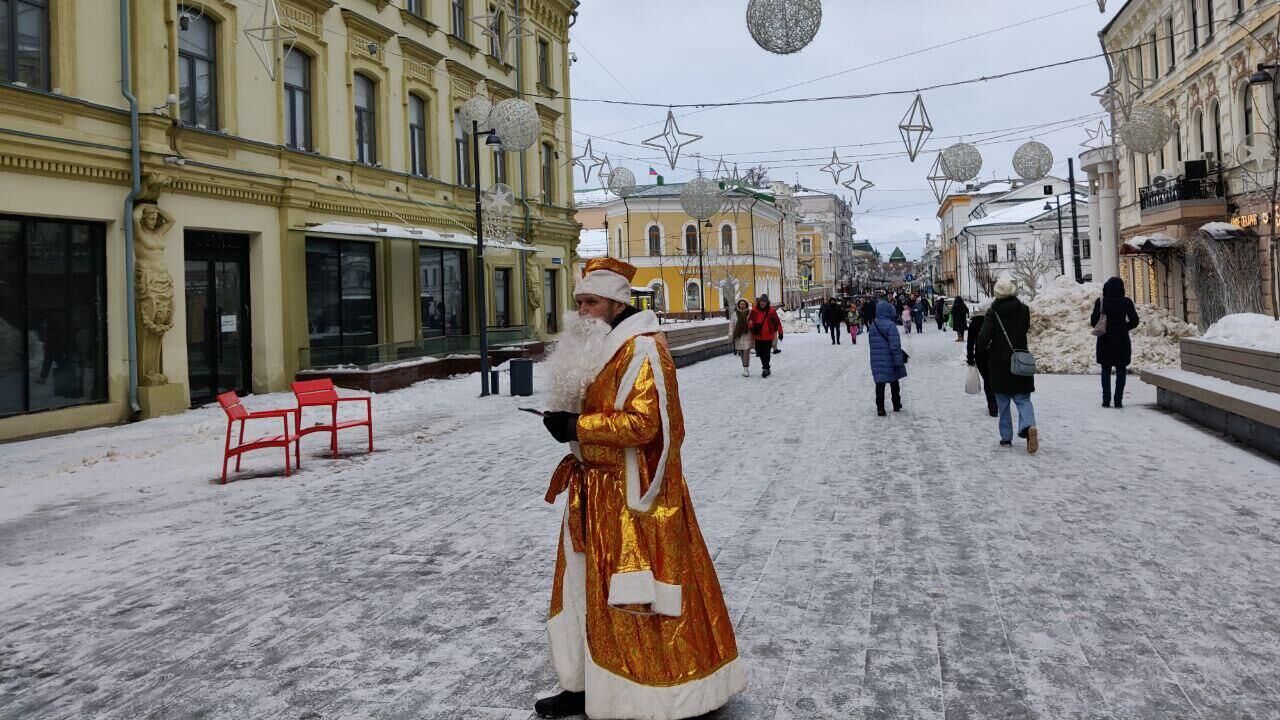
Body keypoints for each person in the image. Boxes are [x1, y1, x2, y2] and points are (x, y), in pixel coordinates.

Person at [537, 258, 746, 719]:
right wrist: (568, 425)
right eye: (578, 302)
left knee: (634, 599)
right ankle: (582, 683)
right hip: (590, 491)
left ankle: (656, 694)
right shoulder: (599, 349)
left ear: (615, 303)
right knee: (580, 588)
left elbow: (648, 425)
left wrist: (579, 424)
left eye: (590, 302)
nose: (581, 312)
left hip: (633, 501)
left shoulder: (643, 350)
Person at [978, 279, 1038, 453]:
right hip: (1020, 360)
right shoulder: (1024, 310)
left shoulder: (992, 313)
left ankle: (1006, 438)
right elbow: (1025, 328)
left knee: (1003, 403)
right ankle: (1028, 426)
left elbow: (984, 336)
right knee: (1023, 399)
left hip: (999, 363)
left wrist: (982, 347)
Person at [1091, 276, 1141, 408]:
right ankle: (1118, 400)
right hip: (1122, 341)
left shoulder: (1101, 301)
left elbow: (1093, 322)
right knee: (1121, 370)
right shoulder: (1126, 302)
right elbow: (1135, 321)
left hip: (1104, 341)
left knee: (1106, 370)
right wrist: (1124, 328)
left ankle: (1106, 400)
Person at [867, 298, 907, 416]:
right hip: (890, 358)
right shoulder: (890, 325)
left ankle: (880, 407)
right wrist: (898, 359)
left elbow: (871, 344)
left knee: (880, 384)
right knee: (894, 381)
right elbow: (895, 345)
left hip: (876, 360)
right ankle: (896, 404)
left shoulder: (873, 326)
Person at [965, 302, 999, 417]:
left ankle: (992, 406)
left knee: (987, 380)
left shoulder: (974, 322)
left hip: (981, 356)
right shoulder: (995, 320)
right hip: (995, 354)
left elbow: (970, 343)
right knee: (995, 378)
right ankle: (998, 402)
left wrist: (970, 357)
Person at [749, 294, 783, 377]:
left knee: (766, 352)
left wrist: (780, 332)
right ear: (759, 302)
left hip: (768, 336)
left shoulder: (771, 311)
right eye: (761, 301)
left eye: (764, 301)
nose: (762, 303)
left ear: (767, 302)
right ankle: (766, 367)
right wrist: (751, 326)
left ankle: (766, 368)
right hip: (758, 336)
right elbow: (750, 320)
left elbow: (777, 322)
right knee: (759, 352)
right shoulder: (754, 310)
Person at [729, 298, 755, 376]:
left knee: (746, 352)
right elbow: (731, 325)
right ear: (738, 305)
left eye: (743, 304)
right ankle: (744, 368)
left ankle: (746, 369)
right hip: (738, 337)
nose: (742, 306)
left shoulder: (750, 313)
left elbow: (753, 323)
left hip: (748, 336)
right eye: (741, 304)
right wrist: (731, 334)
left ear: (746, 305)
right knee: (741, 353)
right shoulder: (734, 314)